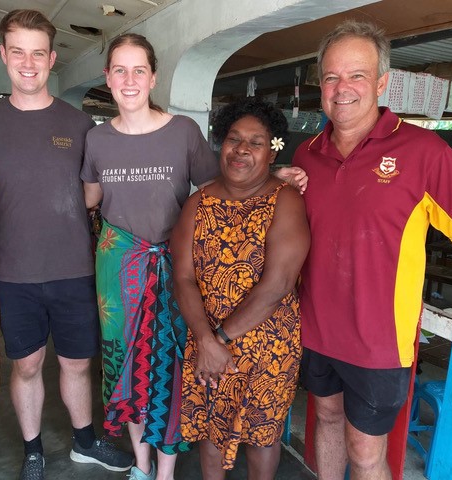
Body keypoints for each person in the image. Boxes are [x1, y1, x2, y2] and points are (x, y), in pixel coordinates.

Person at [81, 34, 307, 480]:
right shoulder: (97, 140)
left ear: (153, 77)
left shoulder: (182, 132)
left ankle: (164, 470)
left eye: (139, 70)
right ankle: (141, 467)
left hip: (196, 288)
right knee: (126, 363)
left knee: (171, 370)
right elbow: (91, 199)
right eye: (119, 70)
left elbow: (224, 177)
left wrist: (276, 173)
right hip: (130, 274)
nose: (129, 80)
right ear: (107, 78)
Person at [292, 20, 452, 480]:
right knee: (328, 424)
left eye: (357, 75)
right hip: (315, 328)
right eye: (332, 77)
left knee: (366, 454)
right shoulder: (306, 155)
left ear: (381, 82)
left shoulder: (424, 152)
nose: (343, 89)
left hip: (378, 342)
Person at [0, 9, 132, 480]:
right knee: (27, 366)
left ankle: (85, 442)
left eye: (38, 52)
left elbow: (101, 189)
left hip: (75, 269)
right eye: (17, 51)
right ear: (3, 55)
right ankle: (33, 450)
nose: (28, 62)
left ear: (52, 58)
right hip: (13, 273)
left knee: (77, 364)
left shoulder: (80, 124)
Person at [171, 97, 310, 479]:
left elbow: (277, 285)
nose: (242, 150)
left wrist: (218, 338)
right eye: (234, 139)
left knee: (261, 437)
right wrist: (206, 340)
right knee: (211, 433)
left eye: (255, 142)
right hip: (207, 341)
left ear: (272, 151)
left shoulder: (285, 201)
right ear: (221, 144)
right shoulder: (197, 203)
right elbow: (182, 277)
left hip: (269, 343)